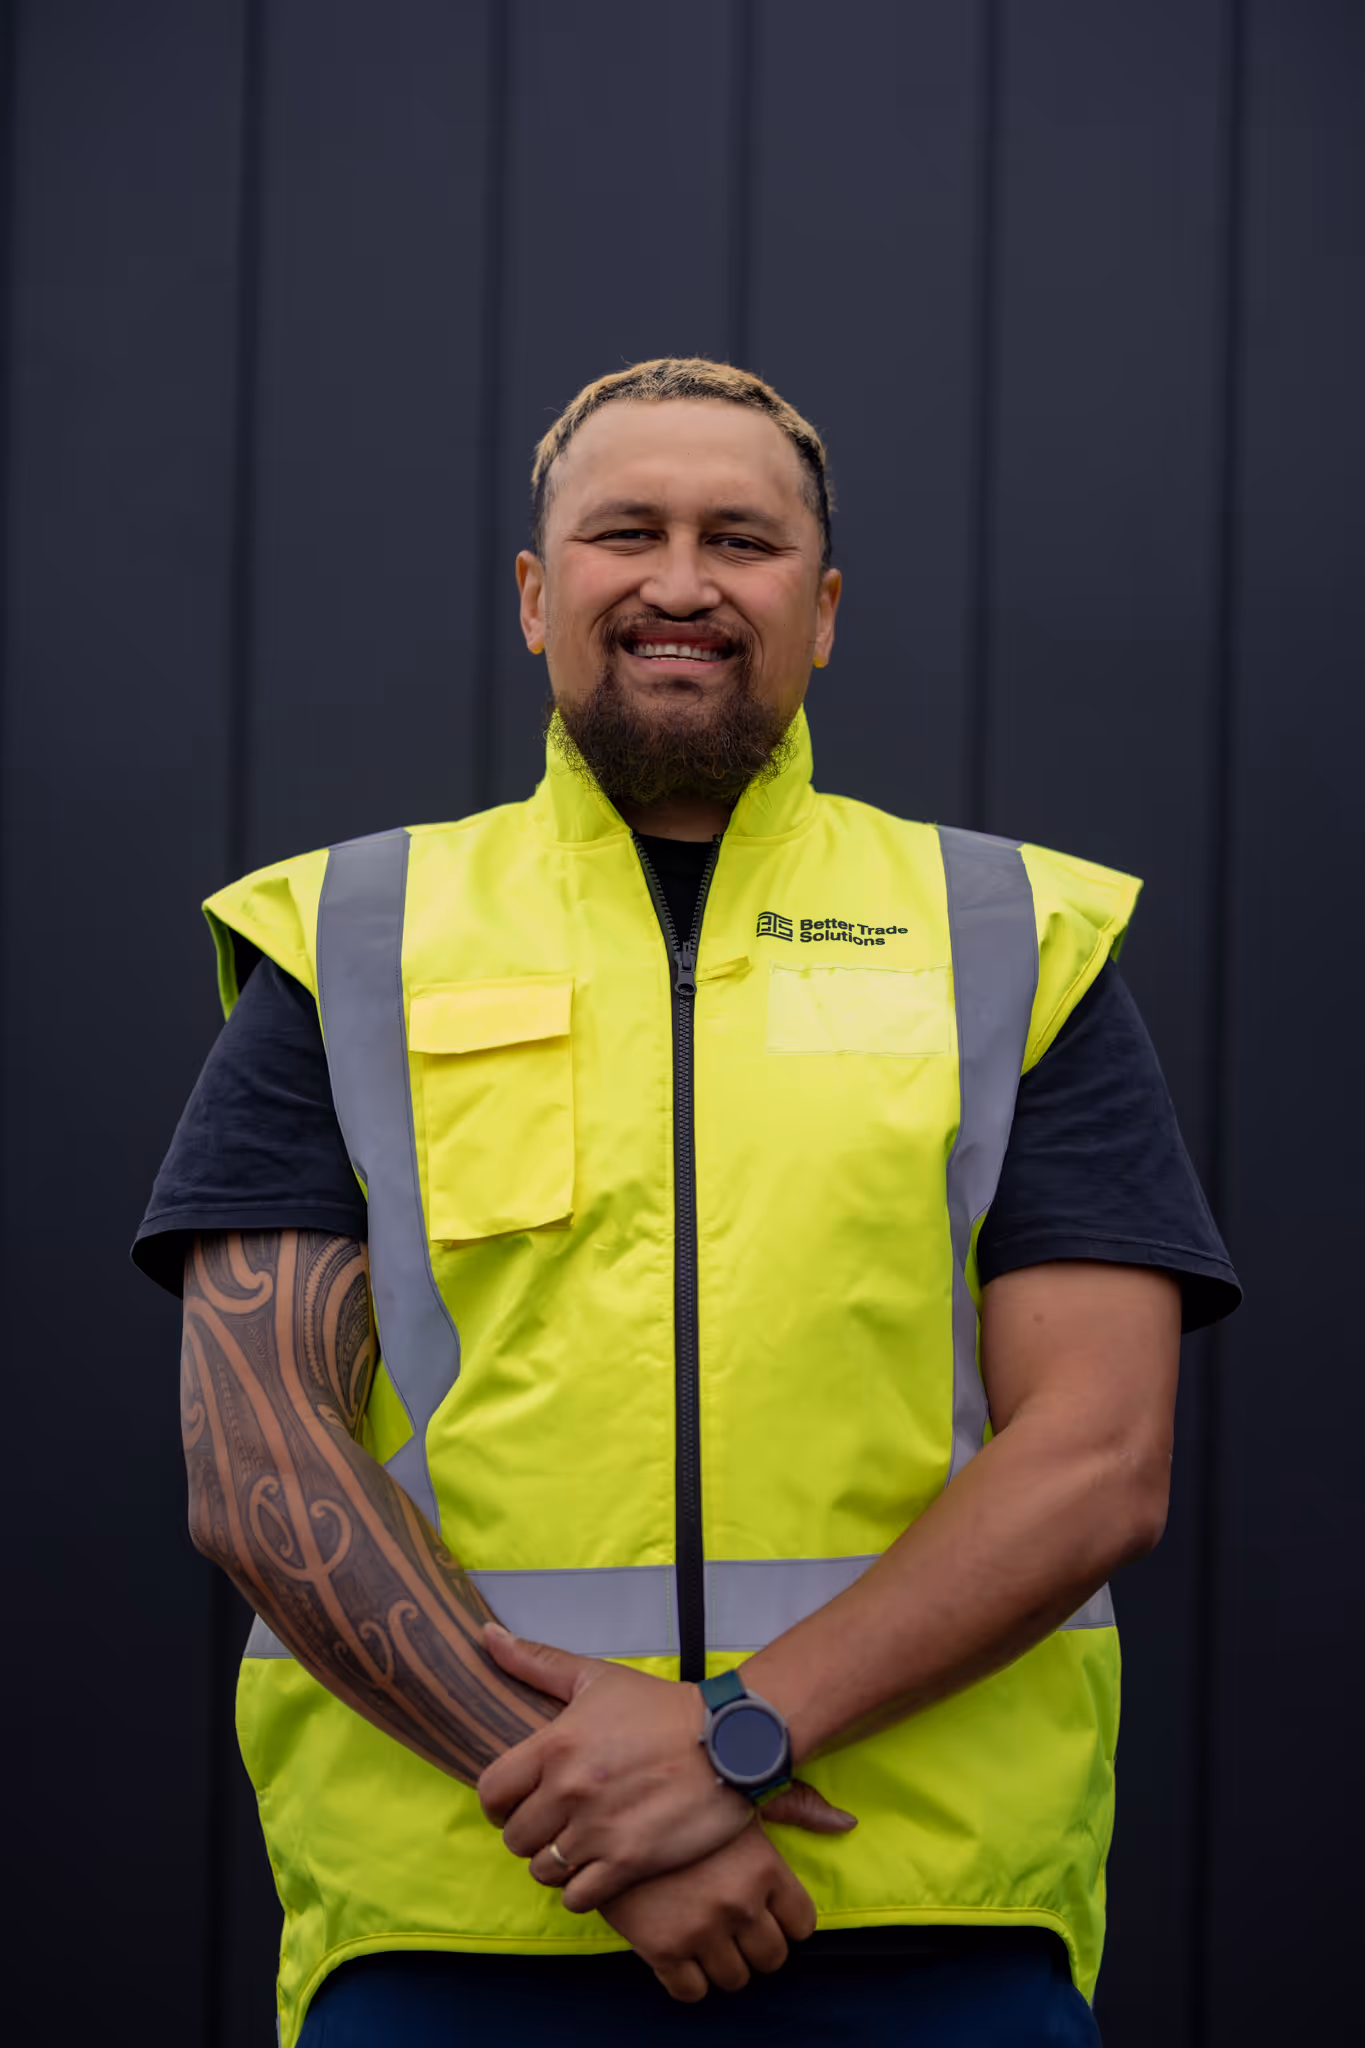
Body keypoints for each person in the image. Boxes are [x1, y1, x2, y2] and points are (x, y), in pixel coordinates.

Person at [138, 358, 1240, 2047]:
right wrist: (599, 1816)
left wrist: (739, 1733)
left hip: (924, 1927)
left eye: (742, 538)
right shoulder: (351, 937)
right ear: (534, 594)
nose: (679, 579)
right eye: (622, 531)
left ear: (823, 607)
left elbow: (1099, 1455)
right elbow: (258, 1454)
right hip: (458, 1936)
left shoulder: (1009, 937)